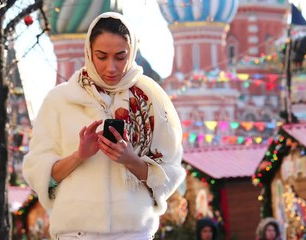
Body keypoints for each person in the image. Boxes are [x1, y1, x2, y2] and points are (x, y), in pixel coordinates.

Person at [22, 12, 185, 240]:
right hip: (76, 233)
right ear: (89, 53)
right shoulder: (60, 100)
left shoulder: (150, 100)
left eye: (120, 57)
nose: (111, 67)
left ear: (133, 52)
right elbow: (39, 174)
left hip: (133, 232)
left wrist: (131, 160)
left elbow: (169, 175)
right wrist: (79, 156)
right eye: (102, 56)